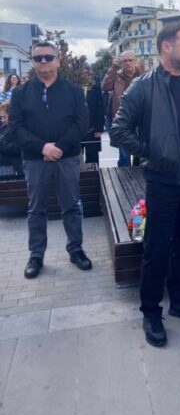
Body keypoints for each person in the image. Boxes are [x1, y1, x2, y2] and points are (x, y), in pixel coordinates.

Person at [109, 24, 180, 348]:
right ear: (166, 47)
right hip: (164, 181)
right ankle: (151, 312)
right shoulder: (143, 86)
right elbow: (118, 130)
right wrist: (152, 152)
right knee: (156, 249)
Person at [9, 42, 91, 279]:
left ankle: (75, 249)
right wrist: (42, 147)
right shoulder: (20, 93)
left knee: (71, 206)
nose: (43, 61)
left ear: (58, 60)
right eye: (38, 58)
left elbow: (81, 123)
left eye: (48, 57)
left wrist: (59, 147)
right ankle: (36, 255)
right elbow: (16, 127)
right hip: (35, 159)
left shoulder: (74, 91)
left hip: (67, 158)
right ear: (32, 62)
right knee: (36, 209)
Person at [101, 50, 141, 166]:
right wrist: (113, 68)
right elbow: (104, 87)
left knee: (140, 156)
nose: (128, 63)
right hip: (122, 121)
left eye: (130, 60)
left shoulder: (143, 75)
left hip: (141, 121)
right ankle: (124, 178)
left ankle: (138, 177)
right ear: (121, 63)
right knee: (124, 157)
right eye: (125, 61)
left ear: (135, 61)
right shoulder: (116, 76)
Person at [83, 77, 104, 165]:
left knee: (93, 158)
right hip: (76, 129)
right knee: (76, 159)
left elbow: (100, 109)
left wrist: (98, 129)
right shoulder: (72, 88)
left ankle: (93, 173)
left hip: (92, 129)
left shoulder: (96, 89)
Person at [0, 100, 23, 177]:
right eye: (1, 118)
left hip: (14, 168)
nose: (2, 120)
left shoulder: (20, 129)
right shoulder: (3, 127)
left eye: (4, 117)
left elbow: (19, 149)